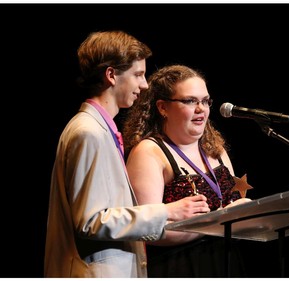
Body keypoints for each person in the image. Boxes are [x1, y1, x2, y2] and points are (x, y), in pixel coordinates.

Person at [44, 31, 210, 278]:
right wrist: (167, 211)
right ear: (111, 75)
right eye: (138, 75)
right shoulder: (88, 132)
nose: (144, 85)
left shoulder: (99, 129)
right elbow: (91, 222)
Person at [123, 64, 253, 277]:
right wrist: (219, 221)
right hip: (179, 266)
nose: (201, 109)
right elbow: (147, 230)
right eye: (190, 101)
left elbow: (230, 205)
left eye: (205, 101)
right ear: (163, 107)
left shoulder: (215, 148)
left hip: (226, 260)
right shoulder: (149, 152)